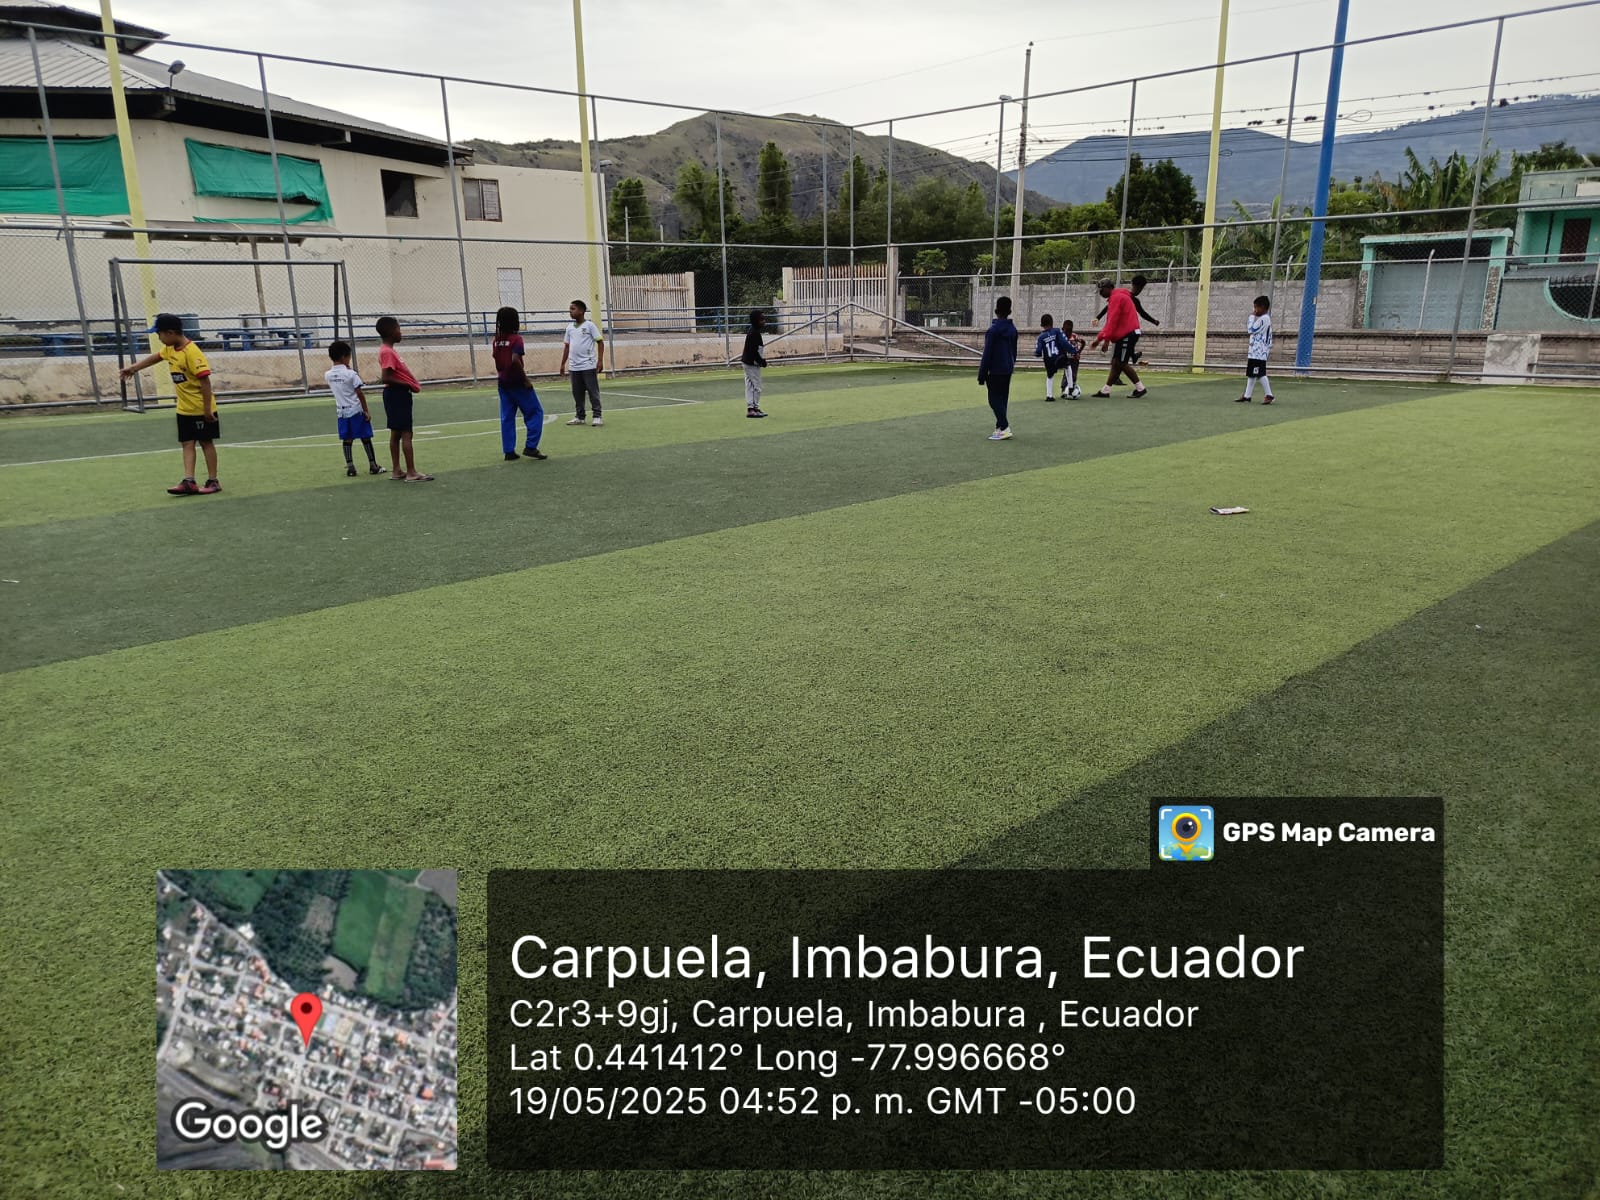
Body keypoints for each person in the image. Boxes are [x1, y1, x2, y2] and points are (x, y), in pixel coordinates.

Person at [120, 313, 221, 495]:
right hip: (184, 409)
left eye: (159, 334)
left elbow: (205, 382)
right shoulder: (170, 349)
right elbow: (156, 357)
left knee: (206, 442)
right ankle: (189, 481)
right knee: (187, 443)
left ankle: (213, 481)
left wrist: (207, 409)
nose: (159, 338)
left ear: (171, 333)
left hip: (201, 408)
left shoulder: (192, 353)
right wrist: (134, 368)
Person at [375, 316, 433, 482]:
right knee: (406, 433)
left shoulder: (389, 351)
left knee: (396, 433)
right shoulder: (387, 352)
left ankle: (397, 470)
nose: (401, 332)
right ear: (391, 332)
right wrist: (408, 384)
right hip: (397, 395)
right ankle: (411, 472)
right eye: (398, 329)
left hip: (395, 395)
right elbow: (386, 377)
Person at [491, 307, 548, 460]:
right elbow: (515, 360)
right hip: (517, 382)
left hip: (503, 382)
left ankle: (509, 450)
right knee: (535, 412)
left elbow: (496, 359)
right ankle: (531, 446)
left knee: (507, 416)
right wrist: (525, 379)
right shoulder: (516, 339)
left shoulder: (497, 340)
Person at [325, 340, 384, 476]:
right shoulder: (351, 374)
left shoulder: (328, 375)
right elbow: (359, 393)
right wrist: (366, 411)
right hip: (356, 410)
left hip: (342, 411)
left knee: (347, 439)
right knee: (365, 437)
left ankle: (351, 468)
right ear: (344, 357)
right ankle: (373, 465)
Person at [1091, 279, 1147, 398]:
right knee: (1116, 362)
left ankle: (1140, 388)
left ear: (1108, 288)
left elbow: (1112, 322)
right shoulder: (1118, 296)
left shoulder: (1116, 298)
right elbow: (1111, 322)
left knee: (1121, 363)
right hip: (1126, 333)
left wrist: (1099, 340)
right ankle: (1105, 390)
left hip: (1128, 334)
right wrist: (1104, 339)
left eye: (1101, 290)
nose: (1100, 293)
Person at [977, 296, 1019, 440]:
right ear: (1009, 311)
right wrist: (1011, 364)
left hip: (995, 369)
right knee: (1003, 399)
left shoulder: (993, 330)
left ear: (996, 311)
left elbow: (987, 353)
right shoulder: (1013, 329)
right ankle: (1000, 427)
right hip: (1007, 368)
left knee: (993, 399)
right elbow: (1014, 351)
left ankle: (1005, 426)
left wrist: (982, 374)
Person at [1095, 273, 1159, 364]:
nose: (1138, 291)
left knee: (1119, 361)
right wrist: (1098, 317)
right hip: (1124, 331)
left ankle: (1132, 356)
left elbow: (1142, 313)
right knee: (1118, 361)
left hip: (1126, 332)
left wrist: (1153, 321)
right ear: (1135, 286)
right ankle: (1132, 356)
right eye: (1139, 288)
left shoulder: (1129, 297)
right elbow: (1109, 309)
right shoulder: (1124, 295)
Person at [560, 300, 605, 426]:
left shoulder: (590, 326)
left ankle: (597, 416)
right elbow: (567, 347)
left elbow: (600, 342)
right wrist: (563, 364)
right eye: (570, 309)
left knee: (592, 391)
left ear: (581, 311)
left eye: (573, 309)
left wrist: (600, 360)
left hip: (588, 365)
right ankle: (580, 416)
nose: (570, 311)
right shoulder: (569, 328)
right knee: (577, 393)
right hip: (574, 366)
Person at [1239, 295, 1276, 404]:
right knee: (1252, 374)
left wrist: (1251, 317)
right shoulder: (1263, 319)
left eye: (1256, 307)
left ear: (1263, 307)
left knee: (1260, 373)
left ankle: (1269, 395)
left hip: (1259, 352)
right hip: (1255, 351)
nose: (1255, 310)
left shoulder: (1264, 319)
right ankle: (1247, 396)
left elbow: (1251, 329)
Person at [1035, 314, 1070, 402]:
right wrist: (1072, 350)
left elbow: (1038, 350)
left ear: (1042, 324)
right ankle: (1071, 387)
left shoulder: (1041, 337)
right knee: (1067, 366)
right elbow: (1064, 342)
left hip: (1049, 360)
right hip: (1059, 356)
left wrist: (1037, 354)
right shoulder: (1057, 331)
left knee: (1050, 376)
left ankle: (1049, 395)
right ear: (1052, 323)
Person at [741, 309, 769, 417]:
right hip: (751, 363)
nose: (764, 321)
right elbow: (754, 351)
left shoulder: (754, 332)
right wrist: (761, 361)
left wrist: (760, 361)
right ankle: (753, 408)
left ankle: (752, 408)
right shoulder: (754, 333)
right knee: (756, 386)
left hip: (749, 362)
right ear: (755, 320)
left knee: (750, 385)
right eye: (761, 319)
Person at [1061, 319, 1085, 399]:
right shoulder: (1061, 337)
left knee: (1073, 374)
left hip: (1074, 359)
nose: (1068, 333)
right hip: (1066, 359)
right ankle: (1064, 390)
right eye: (1067, 331)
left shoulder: (1074, 336)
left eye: (1070, 331)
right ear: (1063, 329)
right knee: (1066, 375)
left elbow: (1083, 342)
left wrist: (1079, 352)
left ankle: (1072, 389)